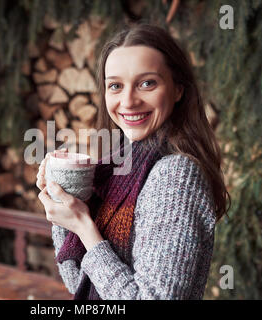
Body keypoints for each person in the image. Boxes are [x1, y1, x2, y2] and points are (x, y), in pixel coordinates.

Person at [37, 23, 230, 300]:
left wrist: (84, 227)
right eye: (115, 85)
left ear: (178, 89)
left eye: (147, 83)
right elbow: (78, 282)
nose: (128, 101)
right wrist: (64, 206)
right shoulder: (118, 167)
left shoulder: (175, 174)